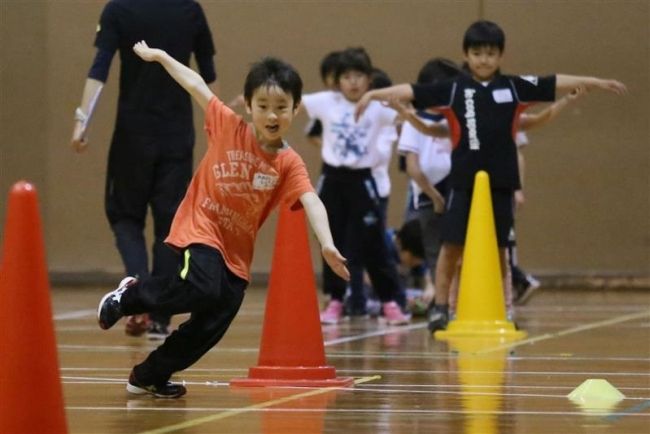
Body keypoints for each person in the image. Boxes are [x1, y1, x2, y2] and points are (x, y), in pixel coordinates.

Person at [96, 41, 350, 398]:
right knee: (201, 286)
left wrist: (327, 244)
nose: (272, 115)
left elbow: (312, 201)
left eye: (281, 107)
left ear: (295, 109)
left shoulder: (289, 163)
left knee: (212, 324)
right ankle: (129, 298)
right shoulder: (229, 126)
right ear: (249, 106)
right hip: (201, 226)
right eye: (263, 106)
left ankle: (148, 374)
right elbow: (195, 84)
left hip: (236, 254)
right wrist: (163, 56)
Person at [356, 20, 626, 333]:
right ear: (466, 55)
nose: (484, 59)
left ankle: (502, 306)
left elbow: (553, 82)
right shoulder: (454, 89)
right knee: (450, 247)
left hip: (501, 183)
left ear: (501, 56)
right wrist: (373, 94)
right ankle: (441, 308)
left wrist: (594, 80)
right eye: (477, 53)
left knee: (501, 249)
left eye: (490, 53)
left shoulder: (513, 87)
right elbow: (412, 90)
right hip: (463, 183)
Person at [70, 0, 217, 339]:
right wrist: (218, 132)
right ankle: (160, 316)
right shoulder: (190, 11)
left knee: (125, 216)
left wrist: (82, 121)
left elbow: (100, 68)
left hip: (133, 137)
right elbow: (207, 76)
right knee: (170, 225)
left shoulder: (118, 10)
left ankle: (134, 287)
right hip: (178, 136)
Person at [301, 47, 410, 325]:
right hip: (333, 180)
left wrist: (396, 106)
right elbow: (293, 102)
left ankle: (389, 302)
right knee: (331, 241)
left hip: (364, 181)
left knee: (374, 243)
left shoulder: (377, 107)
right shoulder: (327, 102)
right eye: (347, 76)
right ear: (338, 80)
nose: (353, 82)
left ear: (369, 79)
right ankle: (336, 300)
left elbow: (407, 109)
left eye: (359, 75)